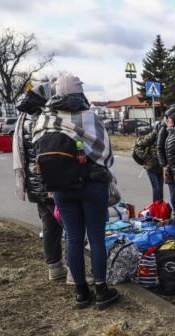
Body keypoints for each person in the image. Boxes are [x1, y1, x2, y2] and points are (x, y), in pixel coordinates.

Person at [32, 73, 119, 309]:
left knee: (72, 237)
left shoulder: (45, 119)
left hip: (60, 187)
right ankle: (101, 290)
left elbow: (36, 152)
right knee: (96, 238)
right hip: (92, 185)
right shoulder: (89, 117)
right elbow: (105, 153)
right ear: (79, 92)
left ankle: (81, 293)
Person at [12, 82, 67, 281]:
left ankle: (54, 267)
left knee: (49, 227)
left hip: (34, 184)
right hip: (49, 183)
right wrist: (52, 185)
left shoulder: (23, 117)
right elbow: (46, 154)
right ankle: (72, 270)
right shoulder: (41, 117)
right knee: (69, 224)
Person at [133, 121, 164, 202]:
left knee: (160, 189)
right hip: (151, 167)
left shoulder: (164, 137)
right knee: (156, 188)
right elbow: (137, 147)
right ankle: (155, 207)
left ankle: (160, 209)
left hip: (160, 167)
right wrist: (146, 158)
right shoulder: (151, 137)